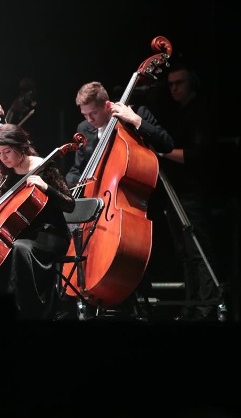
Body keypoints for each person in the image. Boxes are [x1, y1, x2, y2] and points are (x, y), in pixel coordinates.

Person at [65, 80, 174, 317]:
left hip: (131, 203)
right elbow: (78, 167)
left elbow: (166, 143)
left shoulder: (134, 115)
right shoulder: (84, 127)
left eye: (93, 112)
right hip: (95, 202)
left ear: (107, 105)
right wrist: (70, 185)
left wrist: (136, 121)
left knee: (131, 262)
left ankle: (138, 308)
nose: (90, 119)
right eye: (85, 114)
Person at [0, 123, 75, 320]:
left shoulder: (44, 167)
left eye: (7, 151)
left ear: (21, 147)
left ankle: (32, 311)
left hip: (51, 235)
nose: (3, 158)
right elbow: (2, 204)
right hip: (22, 235)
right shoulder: (7, 171)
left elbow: (69, 204)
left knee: (19, 249)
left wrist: (46, 188)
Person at [158, 64, 221, 321]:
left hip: (193, 193)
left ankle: (207, 305)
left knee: (199, 251)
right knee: (185, 254)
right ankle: (191, 305)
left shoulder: (200, 113)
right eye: (170, 84)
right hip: (176, 192)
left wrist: (161, 153)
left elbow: (197, 156)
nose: (173, 89)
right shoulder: (178, 113)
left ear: (191, 83)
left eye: (179, 84)